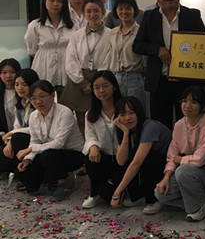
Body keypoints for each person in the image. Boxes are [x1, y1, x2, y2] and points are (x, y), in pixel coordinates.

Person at [133, 0, 205, 129]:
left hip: (185, 82)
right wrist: (157, 49)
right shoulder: (150, 17)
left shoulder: (192, 15)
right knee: (160, 126)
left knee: (187, 124)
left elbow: (203, 43)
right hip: (159, 81)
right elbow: (138, 45)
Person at [155, 86, 205, 221]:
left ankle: (196, 208)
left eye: (194, 102)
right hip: (187, 171)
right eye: (184, 101)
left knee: (183, 171)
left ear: (203, 106)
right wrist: (166, 177)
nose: (187, 105)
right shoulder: (179, 125)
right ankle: (203, 202)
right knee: (161, 194)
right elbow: (171, 156)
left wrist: (180, 159)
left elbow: (200, 159)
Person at [14, 80, 84, 200]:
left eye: (42, 96)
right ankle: (47, 179)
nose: (38, 101)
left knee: (48, 155)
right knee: (21, 172)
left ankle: (63, 182)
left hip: (72, 153)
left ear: (52, 95)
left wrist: (30, 149)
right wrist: (28, 159)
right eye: (33, 98)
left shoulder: (64, 113)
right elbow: (35, 140)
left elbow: (59, 143)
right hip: (47, 151)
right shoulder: (34, 116)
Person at [110, 96, 171, 215]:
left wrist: (116, 194)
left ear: (139, 113)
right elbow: (121, 161)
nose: (127, 118)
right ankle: (138, 196)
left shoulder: (150, 127)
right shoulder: (126, 129)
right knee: (129, 157)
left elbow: (136, 164)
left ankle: (155, 199)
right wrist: (125, 134)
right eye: (122, 114)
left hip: (167, 165)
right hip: (150, 162)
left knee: (145, 160)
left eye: (131, 113)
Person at [61, 0, 111, 134]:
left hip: (101, 78)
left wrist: (98, 82)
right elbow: (71, 59)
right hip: (79, 80)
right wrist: (82, 82)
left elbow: (109, 58)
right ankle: (85, 145)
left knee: (100, 117)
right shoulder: (77, 35)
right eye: (88, 11)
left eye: (96, 11)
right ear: (84, 13)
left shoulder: (111, 34)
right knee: (81, 120)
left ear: (103, 12)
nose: (92, 15)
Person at [81, 71, 123, 209]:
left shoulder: (124, 110)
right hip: (104, 158)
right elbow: (90, 136)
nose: (101, 91)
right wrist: (93, 146)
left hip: (123, 159)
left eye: (105, 86)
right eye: (97, 87)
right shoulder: (91, 114)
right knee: (90, 158)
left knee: (107, 193)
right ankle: (94, 194)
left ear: (114, 86)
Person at [24, 0, 75, 93]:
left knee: (66, 98)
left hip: (67, 66)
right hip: (44, 67)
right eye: (52, 0)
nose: (55, 4)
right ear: (45, 2)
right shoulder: (35, 25)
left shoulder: (73, 24)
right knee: (44, 95)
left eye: (59, 1)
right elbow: (32, 50)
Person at [108, 0, 146, 108]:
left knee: (135, 110)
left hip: (133, 77)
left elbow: (145, 59)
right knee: (119, 110)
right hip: (115, 77)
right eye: (121, 8)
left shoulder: (141, 32)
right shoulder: (113, 32)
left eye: (128, 8)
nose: (124, 12)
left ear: (134, 10)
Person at [0, 68, 39, 173]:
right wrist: (9, 141)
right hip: (20, 138)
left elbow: (35, 128)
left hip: (36, 141)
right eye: (16, 85)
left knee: (17, 138)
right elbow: (17, 126)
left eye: (24, 85)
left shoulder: (38, 103)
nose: (20, 88)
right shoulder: (21, 103)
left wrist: (12, 133)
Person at [0, 58, 20, 135]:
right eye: (4, 72)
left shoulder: (22, 92)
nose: (8, 76)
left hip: (20, 134)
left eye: (12, 72)